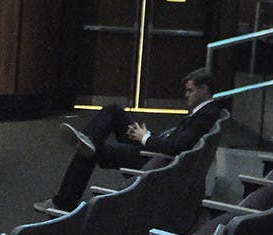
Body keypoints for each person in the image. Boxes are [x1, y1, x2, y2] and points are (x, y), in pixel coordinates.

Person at [34, 68, 221, 212]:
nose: (186, 95)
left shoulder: (205, 115)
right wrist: (148, 136)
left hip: (152, 157)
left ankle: (64, 202)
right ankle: (87, 140)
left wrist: (146, 138)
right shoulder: (208, 111)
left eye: (190, 91)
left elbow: (176, 147)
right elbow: (177, 141)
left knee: (92, 151)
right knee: (114, 110)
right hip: (155, 147)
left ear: (204, 90)